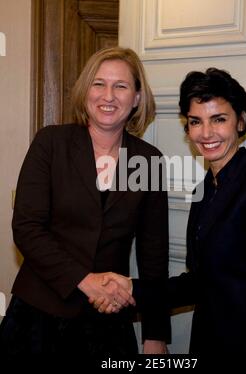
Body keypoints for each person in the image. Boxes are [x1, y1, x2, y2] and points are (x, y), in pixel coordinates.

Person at [98, 68, 246, 354]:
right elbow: (200, 283)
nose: (206, 133)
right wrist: (132, 289)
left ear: (240, 121)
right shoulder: (205, 189)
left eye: (219, 119)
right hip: (207, 340)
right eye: (195, 122)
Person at [0, 47, 170, 359]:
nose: (109, 96)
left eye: (121, 86)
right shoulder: (50, 143)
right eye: (99, 84)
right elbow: (27, 228)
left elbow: (154, 254)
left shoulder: (149, 160)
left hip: (108, 318)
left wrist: (155, 334)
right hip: (39, 315)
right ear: (85, 91)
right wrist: (85, 281)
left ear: (136, 98)